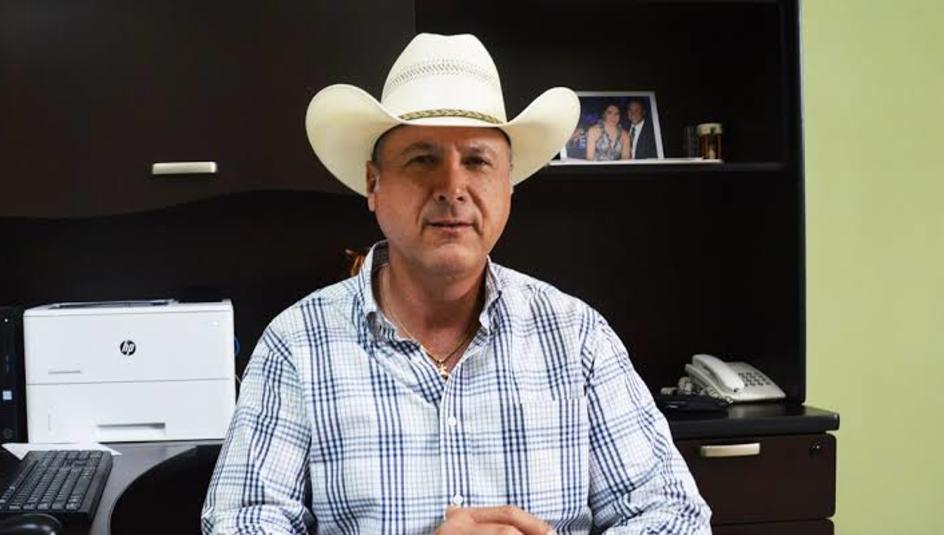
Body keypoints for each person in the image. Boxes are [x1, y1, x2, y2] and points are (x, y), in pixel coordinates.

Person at [202, 33, 711, 534]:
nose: (451, 187)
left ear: (508, 185)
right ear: (374, 184)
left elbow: (674, 517)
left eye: (477, 161)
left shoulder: (577, 337)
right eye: (422, 159)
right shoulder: (298, 344)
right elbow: (241, 521)